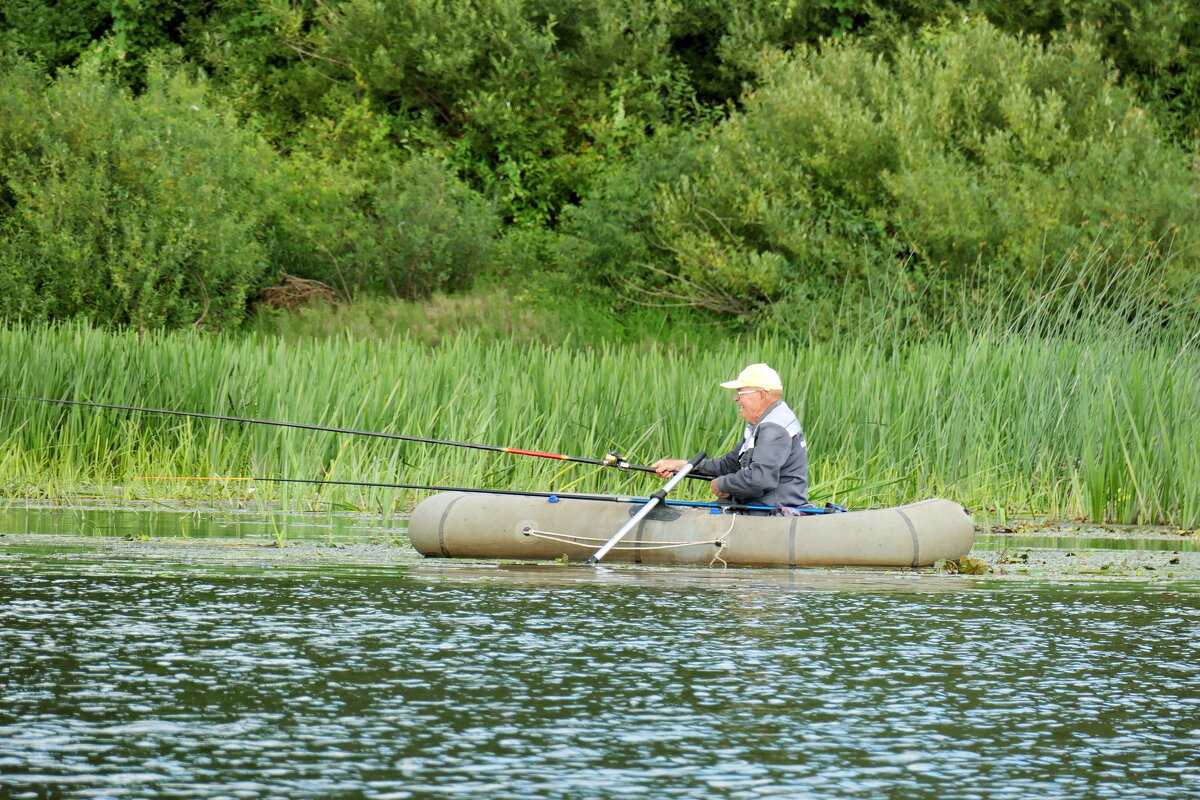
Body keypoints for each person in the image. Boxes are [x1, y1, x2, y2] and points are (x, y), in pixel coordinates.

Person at [651, 363, 807, 513]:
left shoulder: (773, 428)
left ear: (761, 394)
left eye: (740, 392)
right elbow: (728, 465)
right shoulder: (764, 423)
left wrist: (723, 484)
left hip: (770, 511)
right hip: (759, 505)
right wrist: (682, 466)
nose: (735, 399)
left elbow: (760, 479)